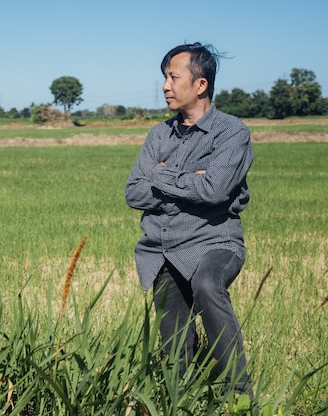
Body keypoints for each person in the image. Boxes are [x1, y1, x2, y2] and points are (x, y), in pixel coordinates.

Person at [125, 42, 253, 395]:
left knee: (208, 285)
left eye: (172, 77)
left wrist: (162, 176)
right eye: (164, 77)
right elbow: (133, 193)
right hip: (164, 248)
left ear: (200, 85)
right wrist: (189, 180)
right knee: (174, 347)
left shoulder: (232, 132)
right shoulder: (158, 134)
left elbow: (214, 189)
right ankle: (183, 400)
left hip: (216, 242)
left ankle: (239, 396)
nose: (165, 85)